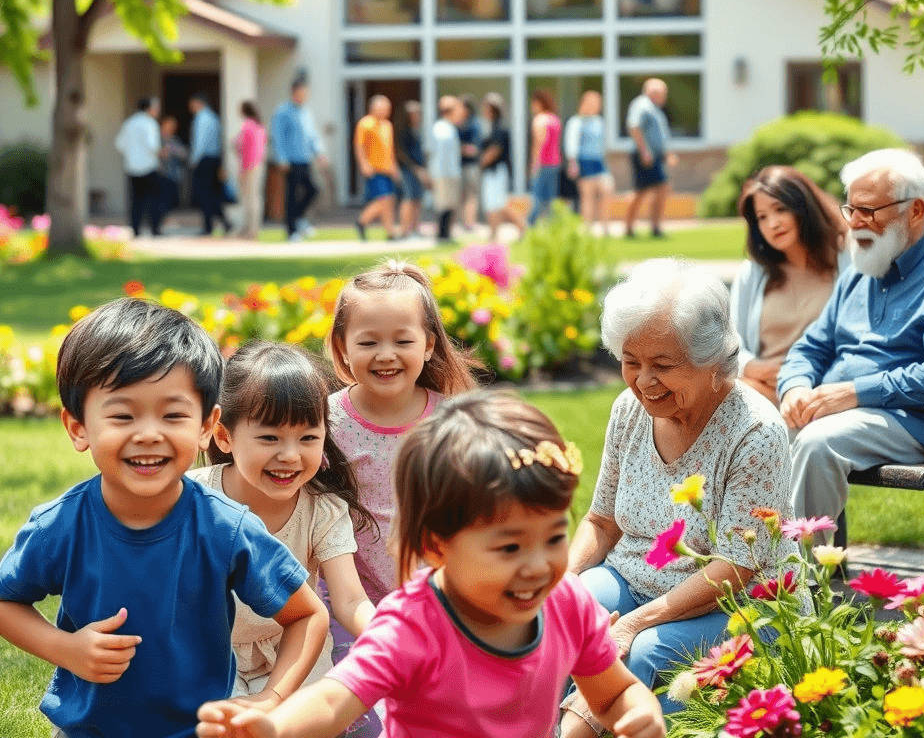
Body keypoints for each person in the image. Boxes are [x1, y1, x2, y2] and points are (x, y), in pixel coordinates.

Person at [197, 392, 666, 738]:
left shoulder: (564, 602)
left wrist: (638, 708)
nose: (539, 565)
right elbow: (335, 698)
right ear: (437, 546)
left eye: (555, 538)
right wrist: (274, 728)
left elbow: (612, 691)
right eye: (509, 548)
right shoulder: (416, 622)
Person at [0, 298, 328, 738]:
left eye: (173, 414)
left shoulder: (224, 528)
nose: (150, 433)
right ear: (78, 427)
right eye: (122, 414)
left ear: (206, 426)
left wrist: (270, 698)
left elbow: (308, 615)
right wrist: (66, 649)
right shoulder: (61, 526)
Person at [559, 259, 798, 737]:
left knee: (645, 648)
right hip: (635, 578)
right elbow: (603, 522)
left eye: (664, 366)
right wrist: (561, 582)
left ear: (714, 361)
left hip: (739, 601)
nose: (644, 381)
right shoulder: (630, 408)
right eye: (632, 362)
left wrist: (631, 624)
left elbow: (737, 566)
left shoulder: (756, 430)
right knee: (567, 615)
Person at [778, 148, 924, 541]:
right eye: (852, 210)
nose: (856, 223)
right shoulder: (860, 275)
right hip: (845, 415)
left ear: (915, 211)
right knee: (758, 433)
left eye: (870, 211)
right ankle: (745, 569)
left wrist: (854, 394)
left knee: (816, 443)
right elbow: (810, 348)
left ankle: (800, 587)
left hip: (916, 422)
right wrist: (795, 387)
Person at [189, 342, 376, 728]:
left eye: (308, 438)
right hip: (208, 654)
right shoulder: (192, 499)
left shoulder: (322, 510)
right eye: (270, 438)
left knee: (304, 721)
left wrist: (391, 636)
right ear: (223, 437)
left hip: (294, 655)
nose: (290, 455)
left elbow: (349, 597)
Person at [317, 262, 477, 664]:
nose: (385, 356)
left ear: (428, 344)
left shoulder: (451, 420)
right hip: (350, 603)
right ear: (342, 347)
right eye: (368, 343)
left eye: (402, 341)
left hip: (440, 601)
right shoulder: (325, 422)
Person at [731, 166, 850, 404]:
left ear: (804, 208)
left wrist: (800, 380)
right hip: (758, 393)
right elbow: (728, 344)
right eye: (762, 217)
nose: (773, 223)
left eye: (780, 209)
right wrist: (753, 367)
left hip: (821, 393)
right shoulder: (752, 274)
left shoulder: (847, 260)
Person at [270, 72, 328, 242]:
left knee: (313, 189)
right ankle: (291, 231)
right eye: (302, 92)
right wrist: (281, 158)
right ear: (294, 92)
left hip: (305, 159)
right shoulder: (282, 111)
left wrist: (319, 152)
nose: (305, 95)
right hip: (290, 161)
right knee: (292, 196)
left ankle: (299, 218)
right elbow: (278, 136)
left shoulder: (306, 112)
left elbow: (312, 135)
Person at [624, 78, 676, 239]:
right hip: (645, 156)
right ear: (653, 92)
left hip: (655, 156)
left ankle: (654, 227)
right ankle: (630, 227)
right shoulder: (642, 105)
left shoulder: (655, 109)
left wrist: (667, 154)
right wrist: (644, 152)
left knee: (661, 188)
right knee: (641, 191)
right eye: (662, 93)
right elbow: (634, 127)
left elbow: (659, 136)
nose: (665, 96)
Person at [353, 95, 401, 242]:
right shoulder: (365, 123)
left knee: (389, 200)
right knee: (384, 200)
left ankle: (390, 232)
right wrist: (363, 164)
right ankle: (362, 221)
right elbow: (359, 146)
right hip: (374, 169)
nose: (386, 111)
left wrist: (394, 167)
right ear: (373, 108)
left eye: (388, 109)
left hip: (387, 169)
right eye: (383, 108)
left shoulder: (387, 125)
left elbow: (390, 149)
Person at [478, 93, 526, 241]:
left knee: (499, 204)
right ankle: (493, 234)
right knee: (493, 205)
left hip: (496, 171)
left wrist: (480, 161)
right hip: (494, 172)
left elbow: (494, 151)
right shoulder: (491, 127)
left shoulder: (499, 128)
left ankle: (522, 227)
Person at [565, 90, 612, 235]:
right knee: (588, 196)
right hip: (584, 161)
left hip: (599, 161)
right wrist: (573, 163)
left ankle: (605, 227)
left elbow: (603, 145)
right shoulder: (576, 121)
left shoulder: (599, 121)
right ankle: (587, 228)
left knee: (606, 190)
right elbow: (571, 144)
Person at [114, 96, 162, 237]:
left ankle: (135, 229)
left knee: (136, 201)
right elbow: (153, 145)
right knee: (154, 200)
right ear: (149, 108)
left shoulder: (129, 123)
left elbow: (119, 144)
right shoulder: (150, 123)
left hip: (132, 167)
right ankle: (155, 229)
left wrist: (131, 154)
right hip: (149, 167)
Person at [189, 92, 230, 237]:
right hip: (214, 159)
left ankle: (208, 226)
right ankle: (223, 222)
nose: (190, 107)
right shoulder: (213, 117)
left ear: (198, 102)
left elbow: (199, 142)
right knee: (212, 195)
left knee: (203, 195)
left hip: (204, 160)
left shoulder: (201, 118)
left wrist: (193, 161)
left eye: (192, 103)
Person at [526, 89, 562, 227]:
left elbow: (538, 144)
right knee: (550, 198)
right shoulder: (554, 119)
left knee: (537, 197)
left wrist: (534, 165)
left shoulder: (539, 120)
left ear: (538, 103)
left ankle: (528, 227)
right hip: (554, 162)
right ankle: (550, 226)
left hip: (542, 163)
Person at [430, 96, 464, 241]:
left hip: (449, 172)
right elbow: (441, 155)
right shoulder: (442, 129)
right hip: (445, 173)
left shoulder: (448, 127)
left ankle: (445, 234)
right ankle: (443, 235)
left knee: (449, 204)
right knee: (445, 205)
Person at [395, 100, 430, 239]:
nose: (417, 115)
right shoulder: (402, 131)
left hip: (419, 170)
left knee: (418, 200)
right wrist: (415, 168)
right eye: (414, 113)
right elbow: (401, 153)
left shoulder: (417, 130)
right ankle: (404, 231)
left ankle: (415, 229)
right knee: (408, 199)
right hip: (408, 170)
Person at [233, 102, 267, 241]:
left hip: (248, 166)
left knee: (249, 199)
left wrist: (243, 170)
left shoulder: (247, 125)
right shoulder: (260, 126)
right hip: (258, 164)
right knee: (255, 198)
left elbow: (243, 147)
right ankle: (253, 228)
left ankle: (249, 229)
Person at [156, 114, 190, 231]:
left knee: (171, 200)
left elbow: (185, 153)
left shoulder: (174, 139)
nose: (172, 127)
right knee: (161, 200)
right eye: (169, 125)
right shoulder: (157, 138)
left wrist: (173, 150)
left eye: (174, 125)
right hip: (160, 173)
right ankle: (161, 222)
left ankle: (165, 220)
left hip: (174, 174)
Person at [457, 94, 482, 233]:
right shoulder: (457, 123)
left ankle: (470, 224)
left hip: (471, 166)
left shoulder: (474, 123)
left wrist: (459, 148)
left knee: (471, 195)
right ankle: (463, 223)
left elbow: (474, 149)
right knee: (461, 195)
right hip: (459, 166)